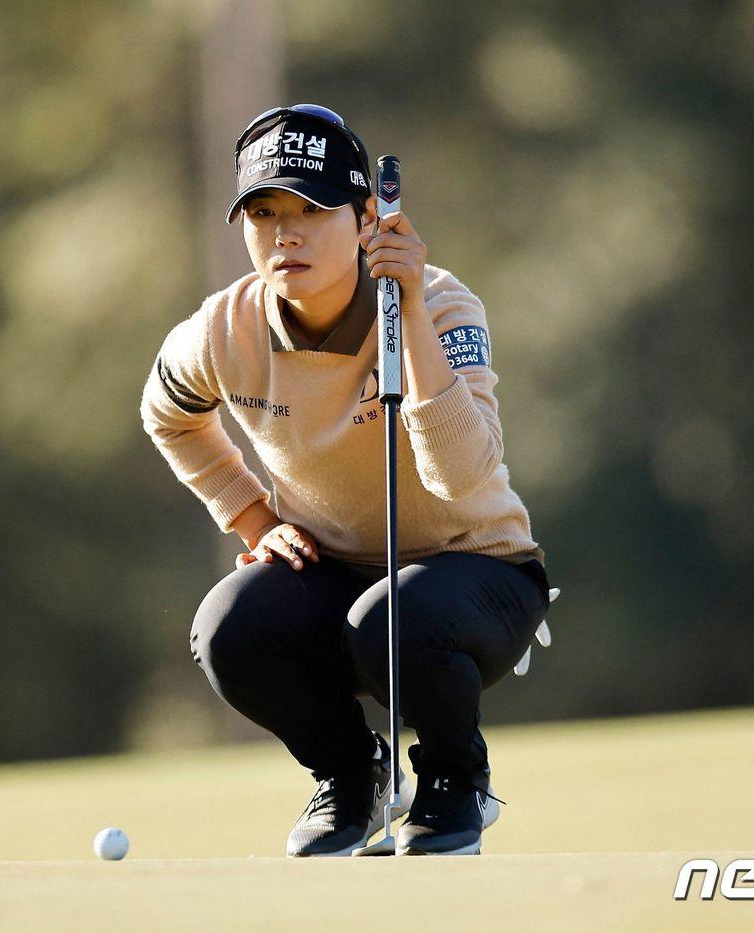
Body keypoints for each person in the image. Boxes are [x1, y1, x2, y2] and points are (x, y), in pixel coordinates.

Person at [139, 103, 551, 857]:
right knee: (228, 626)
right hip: (336, 576)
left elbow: (462, 476)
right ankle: (351, 777)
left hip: (476, 574)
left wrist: (413, 313)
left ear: (367, 219)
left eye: (312, 209)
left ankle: (458, 779)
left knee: (390, 618)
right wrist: (256, 520)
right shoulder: (222, 330)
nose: (285, 233)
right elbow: (167, 414)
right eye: (264, 213)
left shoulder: (447, 305)